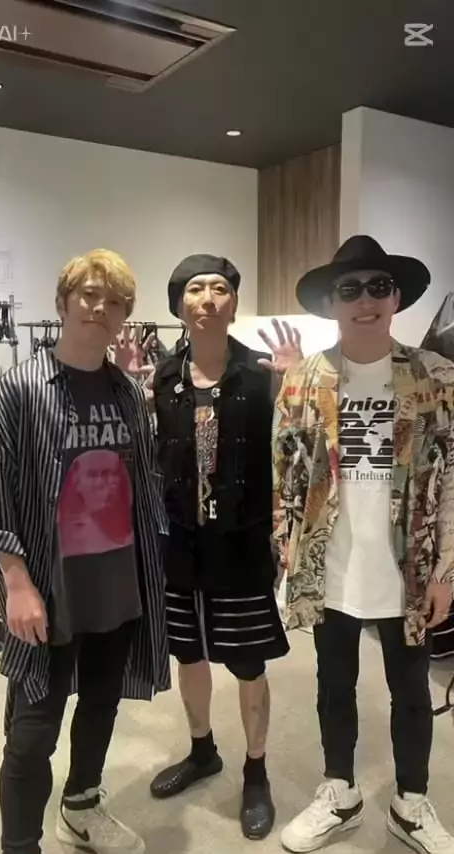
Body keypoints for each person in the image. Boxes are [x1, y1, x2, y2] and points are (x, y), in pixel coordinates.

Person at [0, 248, 170, 854]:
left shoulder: (127, 393)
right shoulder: (19, 389)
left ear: (124, 318)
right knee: (32, 732)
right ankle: (20, 845)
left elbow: (143, 485)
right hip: (49, 592)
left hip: (117, 587)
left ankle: (82, 806)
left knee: (102, 706)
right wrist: (17, 583)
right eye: (89, 294)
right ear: (62, 303)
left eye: (115, 301)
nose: (100, 308)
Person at [273, 235, 454, 854]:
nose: (366, 300)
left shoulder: (436, 377)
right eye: (350, 289)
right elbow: (285, 476)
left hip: (409, 569)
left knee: (412, 692)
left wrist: (446, 572)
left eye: (379, 286)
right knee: (333, 686)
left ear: (396, 297)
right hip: (333, 569)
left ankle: (410, 802)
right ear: (332, 303)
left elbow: (452, 482)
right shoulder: (303, 379)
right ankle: (340, 791)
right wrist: (286, 554)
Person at [114, 253, 300, 840]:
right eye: (196, 289)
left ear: (233, 304)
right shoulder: (162, 380)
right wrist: (128, 385)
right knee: (188, 655)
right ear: (180, 307)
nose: (209, 298)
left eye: (221, 288)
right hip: (179, 546)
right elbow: (132, 449)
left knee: (247, 662)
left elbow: (299, 452)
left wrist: (295, 385)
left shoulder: (263, 376)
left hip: (241, 547)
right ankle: (202, 751)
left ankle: (256, 770)